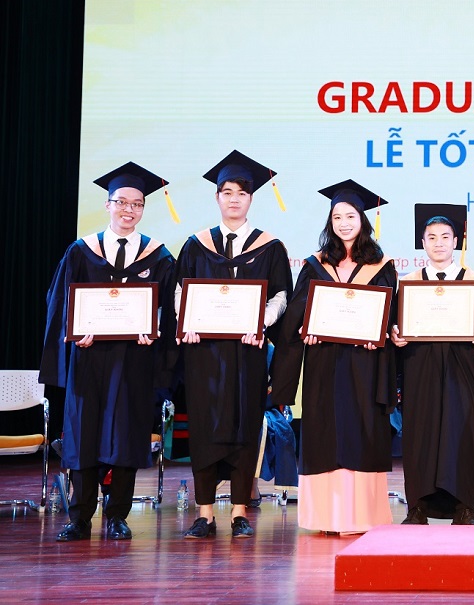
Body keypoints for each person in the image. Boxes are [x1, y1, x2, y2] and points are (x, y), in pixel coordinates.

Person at [41, 163, 177, 542]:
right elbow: (60, 303)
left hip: (134, 360)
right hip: (89, 358)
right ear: (108, 205)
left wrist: (155, 330)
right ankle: (79, 517)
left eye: (136, 204)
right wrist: (74, 333)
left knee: (126, 434)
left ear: (143, 208)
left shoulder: (158, 257)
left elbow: (169, 308)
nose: (128, 210)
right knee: (82, 435)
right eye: (121, 202)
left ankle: (118, 515)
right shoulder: (81, 252)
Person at [175, 151, 292, 540]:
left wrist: (262, 322)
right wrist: (186, 322)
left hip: (247, 351)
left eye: (242, 193)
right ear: (217, 197)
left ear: (251, 199)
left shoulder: (269, 247)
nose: (234, 199)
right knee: (204, 428)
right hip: (204, 354)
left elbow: (281, 295)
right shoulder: (196, 245)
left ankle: (241, 512)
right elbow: (180, 291)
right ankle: (204, 514)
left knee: (246, 426)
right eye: (227, 192)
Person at [270, 180, 397, 534]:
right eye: (337, 217)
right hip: (325, 362)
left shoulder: (381, 265)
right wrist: (304, 329)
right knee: (325, 432)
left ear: (362, 220)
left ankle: (362, 517)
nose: (344, 223)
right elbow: (297, 313)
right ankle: (325, 518)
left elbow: (390, 314)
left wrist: (380, 335)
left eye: (350, 216)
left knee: (362, 432)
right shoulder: (316, 264)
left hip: (365, 364)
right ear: (330, 222)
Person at [390, 204, 474, 525]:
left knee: (462, 432)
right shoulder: (407, 284)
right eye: (432, 237)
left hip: (460, 366)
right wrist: (395, 334)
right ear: (422, 242)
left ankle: (464, 507)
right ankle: (418, 506)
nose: (439, 243)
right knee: (419, 433)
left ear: (456, 242)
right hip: (419, 366)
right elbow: (396, 326)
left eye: (445, 237)